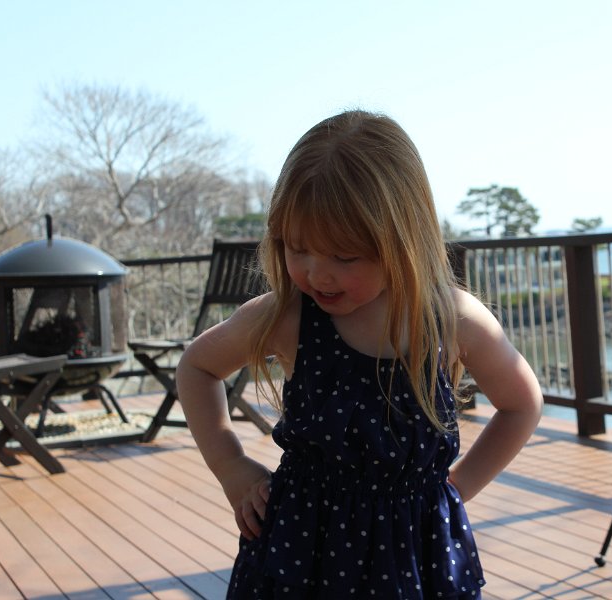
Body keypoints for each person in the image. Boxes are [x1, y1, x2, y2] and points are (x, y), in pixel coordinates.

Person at [176, 109, 543, 599]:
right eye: (297, 248)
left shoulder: (447, 318)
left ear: (403, 240)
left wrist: (458, 488)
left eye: (344, 256)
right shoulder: (288, 316)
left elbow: (521, 403)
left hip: (416, 555)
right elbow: (197, 366)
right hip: (301, 553)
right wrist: (231, 467)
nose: (317, 274)